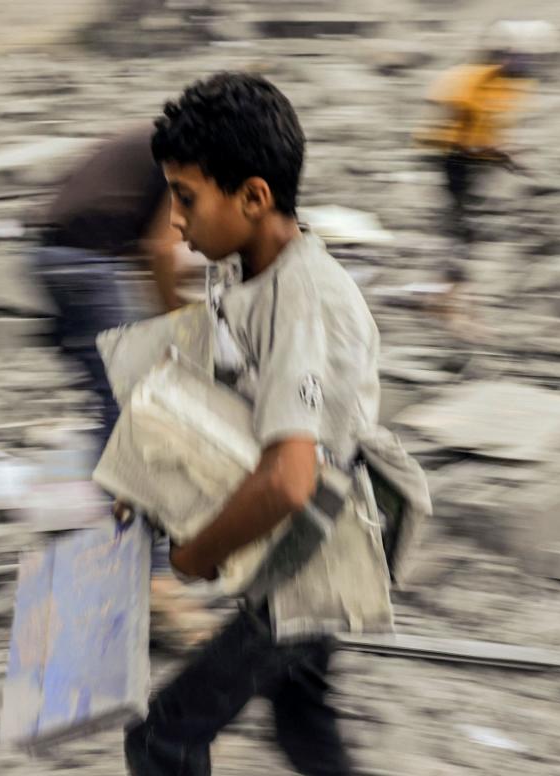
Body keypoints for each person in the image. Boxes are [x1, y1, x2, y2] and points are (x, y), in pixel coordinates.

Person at [123, 72, 388, 776]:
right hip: (315, 551)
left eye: (185, 198)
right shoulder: (252, 273)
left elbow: (286, 478)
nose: (174, 222)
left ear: (253, 196)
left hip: (312, 558)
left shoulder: (300, 297)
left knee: (162, 741)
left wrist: (192, 556)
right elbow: (233, 415)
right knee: (305, 728)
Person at [33, 125, 186, 455]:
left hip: (47, 256)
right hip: (86, 264)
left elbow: (140, 246)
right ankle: (128, 501)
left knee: (107, 390)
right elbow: (160, 249)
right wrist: (177, 321)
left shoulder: (153, 140)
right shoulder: (195, 155)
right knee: (125, 394)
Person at [417, 22, 539, 264]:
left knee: (471, 196)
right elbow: (454, 118)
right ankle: (456, 244)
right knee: (459, 196)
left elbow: (499, 122)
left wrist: (504, 151)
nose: (520, 63)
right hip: (455, 149)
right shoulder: (468, 78)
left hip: (475, 149)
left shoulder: (510, 84)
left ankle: (464, 237)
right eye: (515, 57)